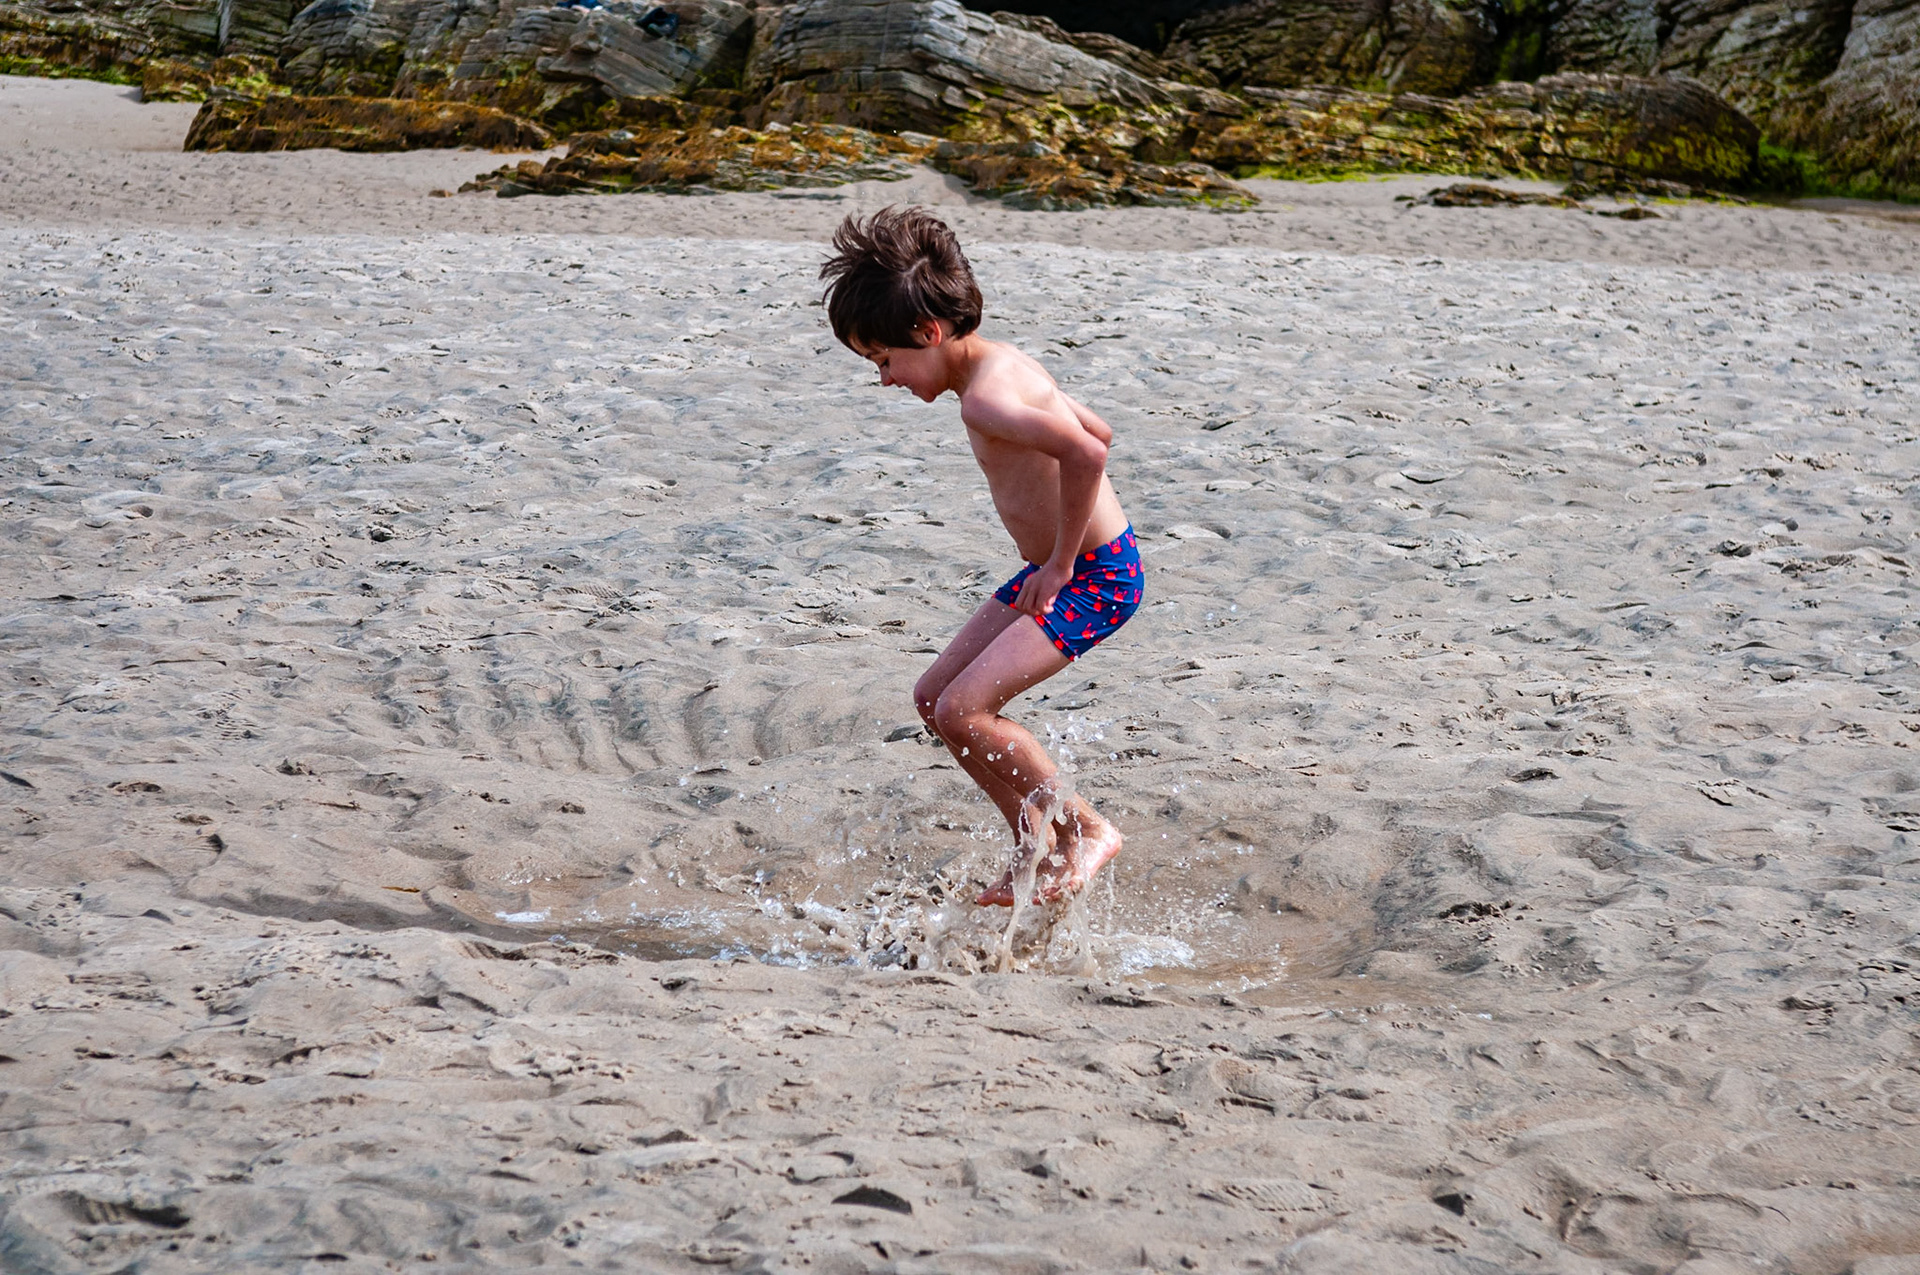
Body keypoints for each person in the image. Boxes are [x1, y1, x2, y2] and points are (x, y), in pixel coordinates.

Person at [819, 206, 1142, 907]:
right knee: (934, 698)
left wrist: (1058, 563)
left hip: (1092, 577)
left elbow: (1087, 452)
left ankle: (1084, 831)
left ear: (927, 333)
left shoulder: (985, 401)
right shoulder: (1006, 365)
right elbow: (1099, 427)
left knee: (967, 709)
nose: (885, 379)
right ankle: (1034, 842)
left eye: (884, 360)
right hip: (1062, 567)